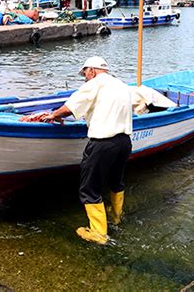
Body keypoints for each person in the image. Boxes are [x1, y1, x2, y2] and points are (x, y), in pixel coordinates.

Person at [40, 56, 133, 245]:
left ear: (92, 70)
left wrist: (53, 115)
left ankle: (99, 234)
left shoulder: (95, 83)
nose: (85, 77)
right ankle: (116, 217)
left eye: (85, 73)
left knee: (89, 188)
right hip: (124, 142)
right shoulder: (122, 85)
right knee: (116, 181)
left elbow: (71, 106)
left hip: (103, 143)